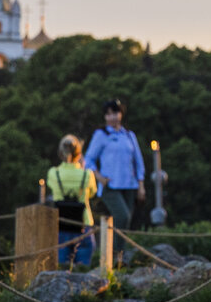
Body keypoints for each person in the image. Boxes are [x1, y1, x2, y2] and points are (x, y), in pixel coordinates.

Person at [82, 100, 143, 233]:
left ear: (121, 114)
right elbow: (88, 159)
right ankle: (114, 251)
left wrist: (141, 185)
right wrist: (99, 176)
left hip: (129, 185)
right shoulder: (101, 135)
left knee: (126, 223)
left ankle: (120, 252)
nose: (112, 117)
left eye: (115, 113)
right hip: (110, 185)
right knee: (122, 216)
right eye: (108, 114)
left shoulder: (129, 135)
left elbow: (138, 161)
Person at [45, 135, 97, 267]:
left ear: (61, 153)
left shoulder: (53, 173)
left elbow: (51, 187)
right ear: (79, 154)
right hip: (83, 223)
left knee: (62, 269)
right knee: (83, 272)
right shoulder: (87, 174)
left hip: (60, 225)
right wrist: (82, 167)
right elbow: (92, 193)